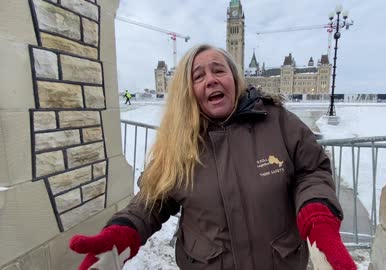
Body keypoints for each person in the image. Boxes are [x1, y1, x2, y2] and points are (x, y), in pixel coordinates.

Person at [69, 44, 356, 270]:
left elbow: (312, 171)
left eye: (219, 70)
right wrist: (123, 231)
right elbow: (152, 199)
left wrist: (318, 219)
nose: (211, 80)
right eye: (198, 76)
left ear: (234, 78)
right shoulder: (178, 141)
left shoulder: (279, 121)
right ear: (188, 91)